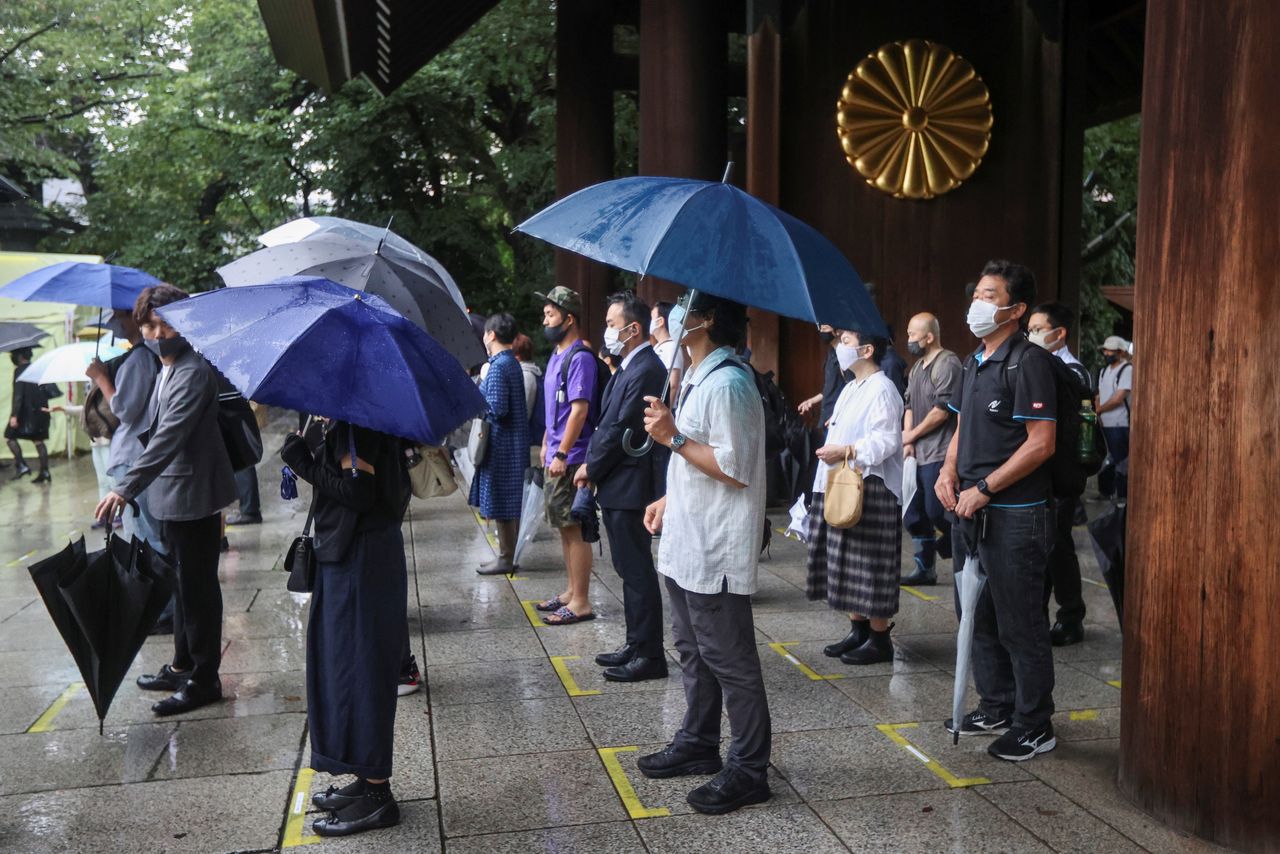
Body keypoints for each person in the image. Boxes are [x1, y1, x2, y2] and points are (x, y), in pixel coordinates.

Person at [638, 293, 771, 815]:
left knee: (730, 659)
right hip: (687, 537)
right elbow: (702, 455)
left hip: (714, 544)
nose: (669, 318)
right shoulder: (696, 376)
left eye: (681, 308)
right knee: (693, 650)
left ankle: (749, 767)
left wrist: (672, 438)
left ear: (707, 319)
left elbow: (735, 466)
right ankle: (698, 741)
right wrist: (670, 497)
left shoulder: (732, 383)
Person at [95, 284, 237, 717]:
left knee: (197, 590)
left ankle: (204, 679)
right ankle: (182, 664)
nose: (157, 333)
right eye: (149, 324)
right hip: (171, 494)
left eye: (166, 323)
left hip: (192, 495)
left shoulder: (193, 371)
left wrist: (124, 487)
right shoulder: (167, 366)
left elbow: (167, 438)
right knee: (183, 583)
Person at [936, 260, 1058, 762]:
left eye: (989, 295)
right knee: (976, 614)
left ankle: (1035, 723)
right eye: (978, 293)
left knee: (1019, 621)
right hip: (968, 508)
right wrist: (948, 472)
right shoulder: (975, 361)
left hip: (1015, 514)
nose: (977, 303)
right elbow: (962, 429)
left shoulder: (1028, 361)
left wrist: (985, 486)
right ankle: (997, 703)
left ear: (1016, 308)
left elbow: (1041, 443)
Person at [280, 418, 410, 837]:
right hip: (354, 557)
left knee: (361, 669)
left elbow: (358, 492)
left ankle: (377, 795)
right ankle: (363, 775)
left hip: (361, 562)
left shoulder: (359, 424)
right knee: (347, 667)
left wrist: (305, 464)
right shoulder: (353, 419)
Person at [575, 291, 670, 682]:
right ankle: (636, 642)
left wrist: (590, 469)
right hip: (618, 483)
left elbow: (620, 429)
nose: (607, 331)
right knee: (627, 568)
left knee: (636, 570)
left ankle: (650, 654)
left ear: (633, 329)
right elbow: (607, 424)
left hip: (631, 484)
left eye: (612, 325)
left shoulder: (646, 367)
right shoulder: (627, 366)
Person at [806, 329, 904, 665]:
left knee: (870, 563)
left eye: (846, 342)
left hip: (870, 485)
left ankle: (879, 637)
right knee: (846, 561)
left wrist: (847, 449)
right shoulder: (851, 387)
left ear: (866, 350)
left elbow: (887, 440)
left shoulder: (883, 387)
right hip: (842, 484)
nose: (840, 347)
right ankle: (857, 629)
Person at [534, 286, 600, 625]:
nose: (545, 321)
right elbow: (555, 410)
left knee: (574, 528)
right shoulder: (558, 355)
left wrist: (560, 452)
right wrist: (547, 440)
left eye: (550, 315)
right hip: (556, 453)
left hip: (571, 456)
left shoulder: (580, 357)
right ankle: (571, 592)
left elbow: (578, 410)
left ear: (568, 318)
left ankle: (582, 601)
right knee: (563, 526)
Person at [1028, 303, 1092, 646]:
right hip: (1038, 471)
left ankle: (1071, 617)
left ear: (1059, 333)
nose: (1032, 334)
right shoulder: (1040, 364)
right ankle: (1039, 613)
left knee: (1058, 544)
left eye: (1038, 329)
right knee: (1045, 543)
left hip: (1061, 472)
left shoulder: (1072, 371)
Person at [900, 313, 962, 586]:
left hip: (940, 452)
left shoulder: (947, 363)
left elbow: (943, 411)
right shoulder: (916, 368)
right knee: (914, 514)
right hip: (918, 453)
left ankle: (962, 544)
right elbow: (909, 405)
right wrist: (909, 440)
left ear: (929, 336)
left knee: (937, 510)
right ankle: (925, 569)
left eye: (914, 334)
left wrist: (911, 434)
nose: (909, 339)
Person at [471, 313, 530, 575]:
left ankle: (506, 557)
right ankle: (506, 554)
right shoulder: (511, 362)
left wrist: (476, 402)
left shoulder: (498, 365)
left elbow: (497, 408)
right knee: (507, 500)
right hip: (513, 443)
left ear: (491, 335)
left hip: (501, 445)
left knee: (503, 501)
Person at [6, 347, 59, 483]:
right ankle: (45, 471)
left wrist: (14, 415)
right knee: (39, 441)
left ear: (18, 356)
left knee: (9, 436)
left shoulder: (19, 371)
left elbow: (18, 396)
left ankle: (21, 465)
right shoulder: (39, 368)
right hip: (41, 412)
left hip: (25, 414)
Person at [1095, 335, 1132, 503]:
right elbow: (1099, 394)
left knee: (1120, 461)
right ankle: (1106, 493)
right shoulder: (1104, 371)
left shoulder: (1127, 370)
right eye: (1106, 350)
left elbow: (1118, 398)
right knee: (1106, 460)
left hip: (1120, 423)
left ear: (1121, 352)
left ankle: (1122, 496)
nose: (1107, 353)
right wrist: (1098, 410)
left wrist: (1100, 410)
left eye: (1112, 350)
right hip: (1105, 422)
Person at [796, 324, 847, 430]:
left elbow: (852, 388)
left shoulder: (846, 356)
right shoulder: (831, 352)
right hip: (826, 415)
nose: (821, 331)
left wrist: (841, 415)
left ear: (836, 331)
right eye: (820, 328)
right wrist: (811, 401)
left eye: (824, 328)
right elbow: (830, 387)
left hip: (838, 418)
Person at [512, 333, 544, 469]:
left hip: (526, 441)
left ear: (517, 356)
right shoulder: (531, 372)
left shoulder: (526, 376)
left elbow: (523, 412)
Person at [650, 300, 685, 405]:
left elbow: (673, 384)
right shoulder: (658, 346)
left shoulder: (671, 347)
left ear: (660, 321)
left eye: (651, 318)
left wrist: (666, 410)